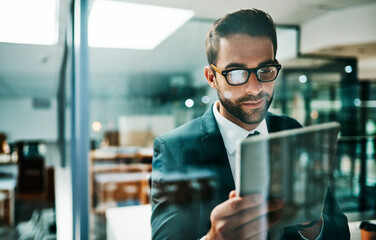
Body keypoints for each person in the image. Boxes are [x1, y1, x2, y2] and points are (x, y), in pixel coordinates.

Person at [151, 9, 350, 240]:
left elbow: (340, 232)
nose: (255, 88)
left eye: (265, 70)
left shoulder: (292, 130)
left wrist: (310, 223)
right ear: (211, 78)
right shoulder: (174, 148)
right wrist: (214, 238)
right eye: (236, 73)